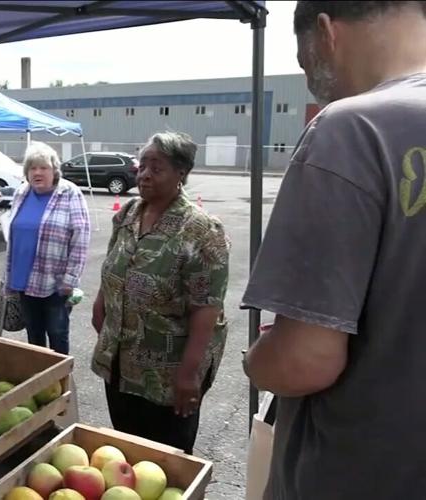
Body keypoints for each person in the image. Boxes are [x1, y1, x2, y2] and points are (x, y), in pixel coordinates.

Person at [243, 2, 426, 498]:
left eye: (304, 64)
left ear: (324, 33)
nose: (312, 83)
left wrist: (256, 358)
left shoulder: (353, 129)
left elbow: (302, 362)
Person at [90, 132, 230, 455]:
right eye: (142, 166)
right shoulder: (127, 216)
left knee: (169, 463)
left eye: (157, 167)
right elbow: (112, 272)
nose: (144, 175)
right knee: (127, 453)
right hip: (120, 367)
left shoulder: (201, 230)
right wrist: (101, 313)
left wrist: (188, 373)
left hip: (167, 377)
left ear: (181, 173)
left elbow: (206, 308)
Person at [2, 142, 90, 355]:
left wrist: (71, 279)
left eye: (43, 168)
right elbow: (13, 231)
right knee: (34, 336)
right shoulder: (22, 192)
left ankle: (59, 383)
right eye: (32, 168)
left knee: (58, 334)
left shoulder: (70, 193)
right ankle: (39, 381)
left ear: (54, 171)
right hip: (22, 280)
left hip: (55, 283)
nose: (37, 172)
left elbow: (81, 237)